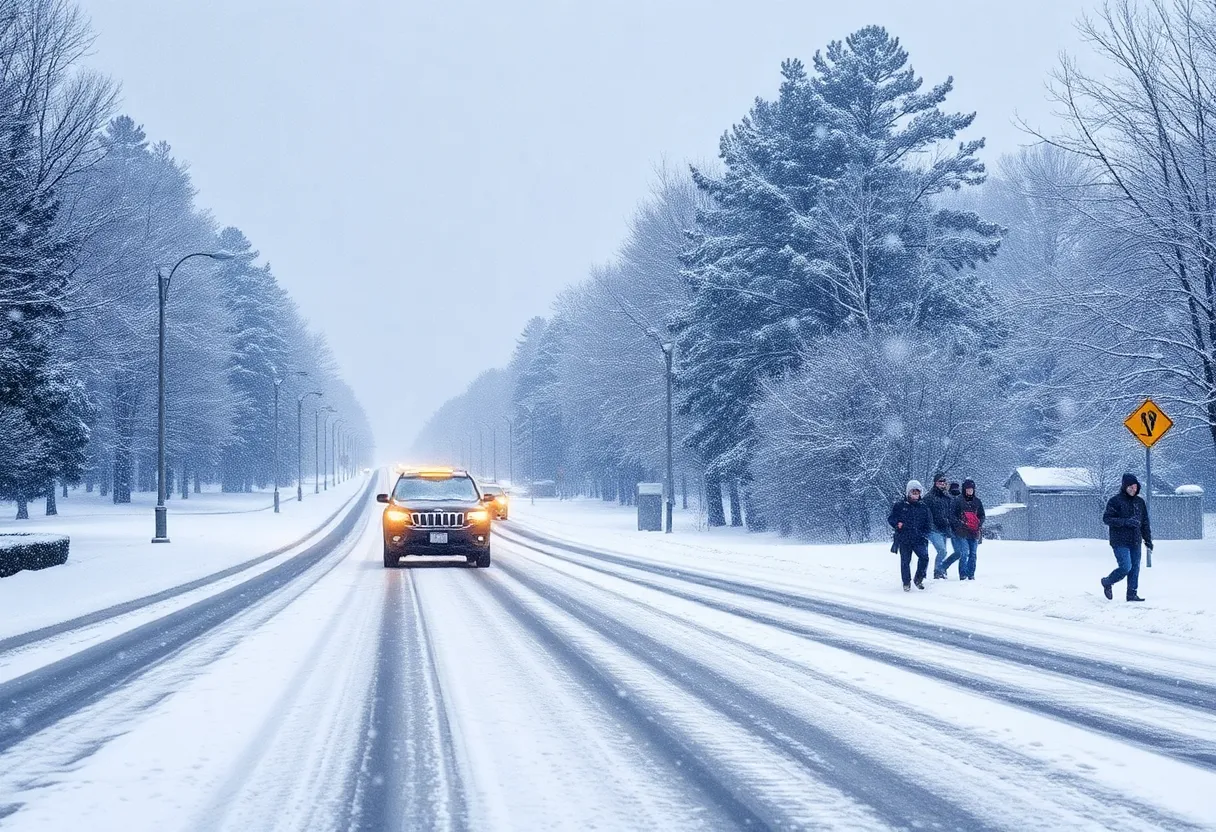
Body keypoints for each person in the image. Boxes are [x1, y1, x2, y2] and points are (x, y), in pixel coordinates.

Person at [1100, 473, 1152, 602]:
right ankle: (1107, 582)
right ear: (1124, 487)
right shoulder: (1115, 501)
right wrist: (1125, 522)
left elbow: (1144, 522)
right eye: (1130, 487)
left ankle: (1132, 594)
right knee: (1126, 567)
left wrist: (1148, 540)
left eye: (1135, 487)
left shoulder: (1140, 502)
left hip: (1135, 540)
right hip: (1119, 541)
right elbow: (1107, 519)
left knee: (1135, 568)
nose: (1133, 490)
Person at [888, 479, 932, 591]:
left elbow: (928, 523)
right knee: (905, 561)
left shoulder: (923, 507)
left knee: (924, 558)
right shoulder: (900, 505)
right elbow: (891, 518)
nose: (915, 495)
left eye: (917, 493)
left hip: (919, 538)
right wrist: (897, 524)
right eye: (913, 492)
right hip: (904, 538)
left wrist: (925, 533)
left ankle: (919, 578)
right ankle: (906, 582)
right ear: (908, 492)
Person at [951, 479, 985, 580]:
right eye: (968, 489)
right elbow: (952, 515)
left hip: (974, 532)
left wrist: (979, 523)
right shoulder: (958, 501)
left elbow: (982, 515)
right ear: (964, 489)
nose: (970, 491)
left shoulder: (977, 501)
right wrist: (960, 524)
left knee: (973, 554)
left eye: (972, 489)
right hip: (962, 532)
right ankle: (963, 574)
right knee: (964, 553)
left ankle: (971, 574)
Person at [924, 472, 954, 579]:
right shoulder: (929, 497)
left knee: (946, 552)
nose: (942, 483)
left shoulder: (947, 497)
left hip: (944, 528)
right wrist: (929, 525)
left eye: (944, 481)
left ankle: (940, 570)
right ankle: (937, 571)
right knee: (942, 550)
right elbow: (925, 513)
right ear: (935, 483)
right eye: (940, 481)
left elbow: (950, 513)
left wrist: (949, 523)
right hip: (933, 529)